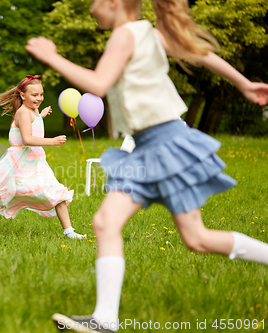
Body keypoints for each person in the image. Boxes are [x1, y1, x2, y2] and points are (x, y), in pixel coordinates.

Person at [25, 0, 268, 331]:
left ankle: (104, 321)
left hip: (166, 145)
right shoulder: (148, 32)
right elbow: (200, 53)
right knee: (126, 225)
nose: (93, 10)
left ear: (113, 3)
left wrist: (52, 56)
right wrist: (243, 83)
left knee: (184, 236)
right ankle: (104, 321)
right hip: (147, 147)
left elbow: (98, 84)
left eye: (96, 3)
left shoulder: (125, 35)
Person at [0, 75, 86, 240]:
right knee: (8, 194)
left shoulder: (33, 110)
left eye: (41, 94)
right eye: (34, 95)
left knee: (57, 192)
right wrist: (52, 141)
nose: (39, 98)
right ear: (22, 95)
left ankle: (69, 231)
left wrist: (41, 115)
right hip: (20, 162)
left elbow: (33, 122)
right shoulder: (22, 112)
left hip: (36, 162)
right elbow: (27, 139)